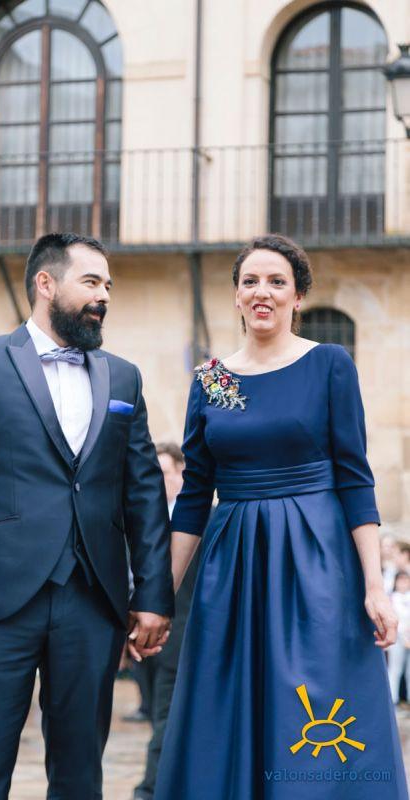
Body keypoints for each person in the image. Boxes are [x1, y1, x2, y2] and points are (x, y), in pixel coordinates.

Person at [0, 232, 174, 800]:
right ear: (46, 283)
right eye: (91, 282)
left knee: (81, 774)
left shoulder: (124, 377)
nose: (104, 295)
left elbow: (144, 492)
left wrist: (154, 594)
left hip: (93, 600)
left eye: (108, 285)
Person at [154, 234, 408, 799]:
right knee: (226, 707)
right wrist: (160, 598)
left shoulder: (329, 364)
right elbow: (194, 496)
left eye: (277, 282)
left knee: (313, 708)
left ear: (298, 297)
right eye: (250, 281)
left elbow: (356, 479)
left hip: (316, 562)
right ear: (236, 296)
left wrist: (375, 586)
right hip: (233, 570)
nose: (261, 292)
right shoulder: (212, 380)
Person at [133, 443, 202, 800]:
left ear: (181, 474)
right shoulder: (139, 521)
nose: (157, 482)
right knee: (156, 718)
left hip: (180, 640)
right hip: (138, 641)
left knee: (166, 721)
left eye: (163, 473)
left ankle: (149, 790)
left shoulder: (203, 523)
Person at [388, 571, 410, 705]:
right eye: (400, 580)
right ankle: (393, 699)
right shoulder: (391, 598)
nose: (403, 583)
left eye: (406, 580)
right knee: (395, 669)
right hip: (397, 638)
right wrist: (404, 636)